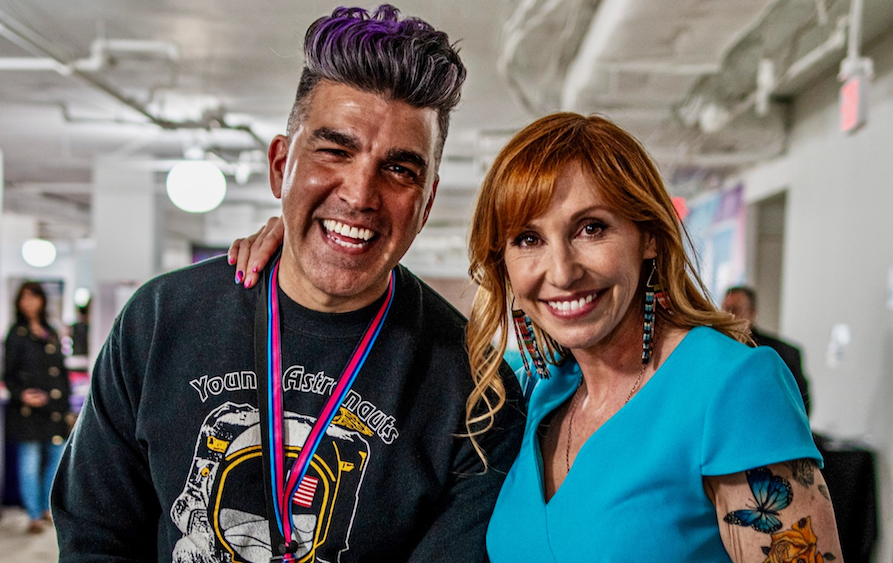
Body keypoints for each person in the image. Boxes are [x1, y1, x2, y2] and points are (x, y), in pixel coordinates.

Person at [231, 112, 844, 563]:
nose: (561, 270)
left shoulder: (729, 384)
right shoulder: (537, 389)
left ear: (650, 237)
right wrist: (309, 242)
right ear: (503, 263)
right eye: (528, 239)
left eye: (592, 228)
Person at [51, 4, 524, 563]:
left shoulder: (474, 391)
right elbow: (94, 539)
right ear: (280, 166)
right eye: (335, 149)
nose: (360, 194)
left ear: (426, 204)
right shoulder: (161, 320)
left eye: (400, 169)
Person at [3, 282, 71, 534]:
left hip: (53, 410)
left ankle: (46, 507)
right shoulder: (16, 334)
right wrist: (23, 395)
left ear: (42, 300)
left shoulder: (50, 332)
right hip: (27, 412)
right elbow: (8, 375)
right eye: (24, 298)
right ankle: (33, 514)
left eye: (34, 297)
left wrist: (64, 405)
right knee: (29, 462)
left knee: (55, 459)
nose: (29, 303)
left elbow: (61, 373)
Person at [723, 285, 811, 414]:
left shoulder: (782, 353)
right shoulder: (717, 350)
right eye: (724, 309)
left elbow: (800, 405)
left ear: (752, 312)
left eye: (735, 310)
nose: (728, 315)